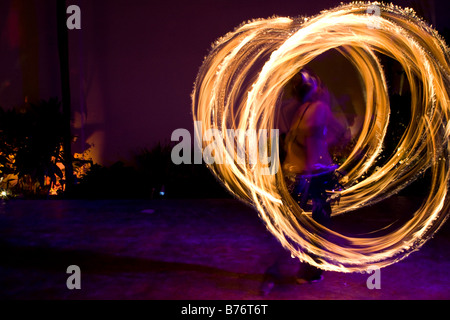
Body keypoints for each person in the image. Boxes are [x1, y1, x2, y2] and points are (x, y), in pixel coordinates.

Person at [260, 70, 348, 295]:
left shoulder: (305, 110)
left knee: (308, 225)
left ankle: (304, 269)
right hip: (312, 175)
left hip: (306, 175)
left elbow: (327, 137)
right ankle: (308, 271)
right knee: (314, 225)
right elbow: (325, 138)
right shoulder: (317, 109)